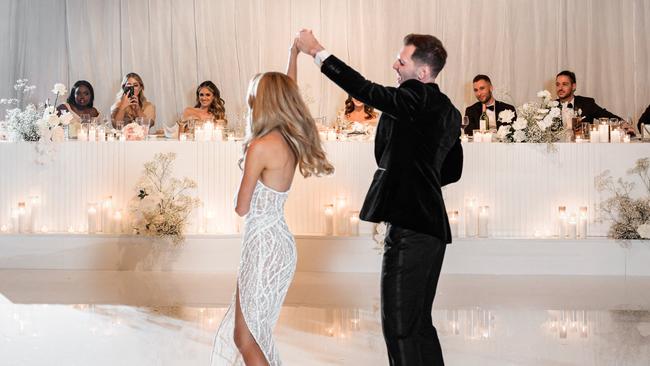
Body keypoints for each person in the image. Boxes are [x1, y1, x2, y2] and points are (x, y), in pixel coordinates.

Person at [297, 30, 462, 365]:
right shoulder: (446, 109)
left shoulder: (415, 95)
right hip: (432, 230)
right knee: (418, 325)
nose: (395, 65)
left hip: (411, 228)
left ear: (423, 73)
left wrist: (316, 51)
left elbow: (365, 90)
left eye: (402, 61)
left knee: (399, 328)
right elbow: (452, 171)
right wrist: (417, 173)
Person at [211, 41, 334, 366]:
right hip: (278, 242)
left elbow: (241, 206)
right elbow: (289, 88)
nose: (249, 99)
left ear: (262, 101)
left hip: (263, 244)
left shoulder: (260, 146)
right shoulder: (290, 137)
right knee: (253, 333)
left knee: (246, 337)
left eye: (253, 94)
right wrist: (292, 55)